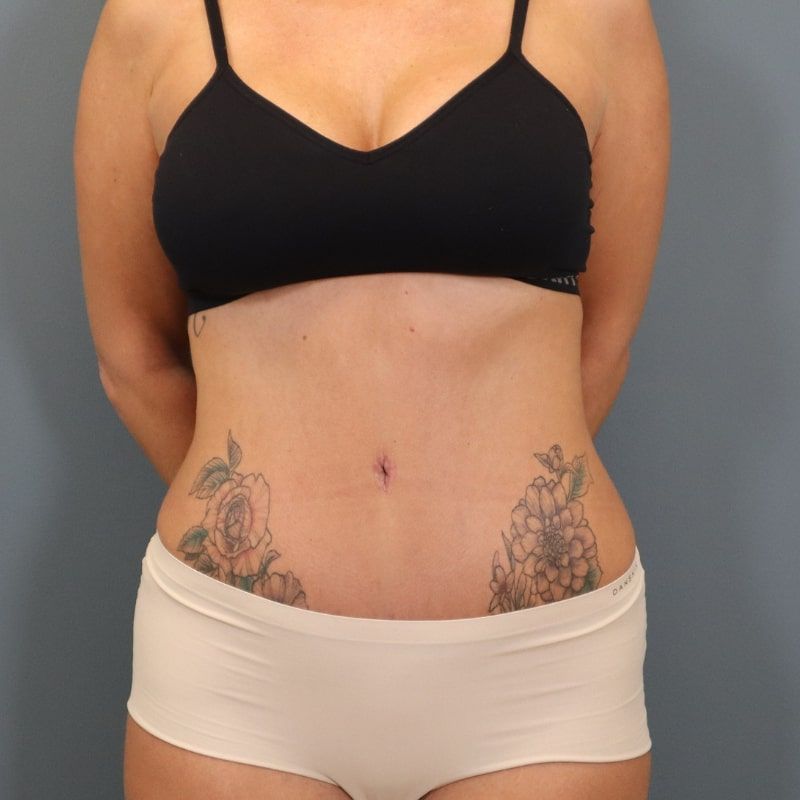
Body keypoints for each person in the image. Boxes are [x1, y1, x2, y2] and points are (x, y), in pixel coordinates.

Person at [73, 0, 670, 797]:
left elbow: (604, 340)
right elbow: (133, 354)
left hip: (541, 664)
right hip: (239, 659)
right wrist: (277, 514)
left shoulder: (595, 13)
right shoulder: (154, 18)